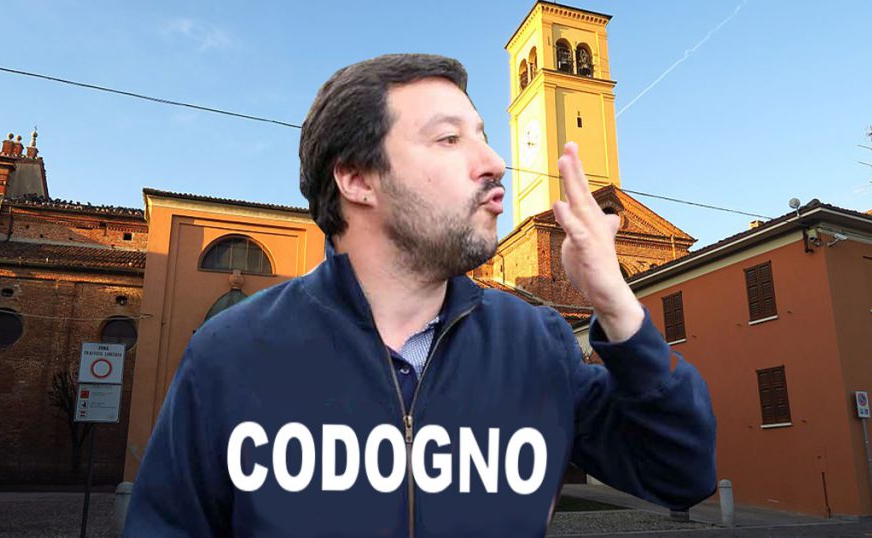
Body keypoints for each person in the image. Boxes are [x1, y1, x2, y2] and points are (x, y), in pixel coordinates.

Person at [124, 54, 716, 537]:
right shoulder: (232, 352)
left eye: (483, 137)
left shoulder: (538, 345)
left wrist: (616, 304)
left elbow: (682, 475)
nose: (495, 163)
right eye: (449, 139)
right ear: (358, 179)